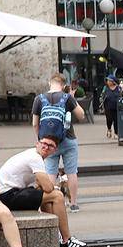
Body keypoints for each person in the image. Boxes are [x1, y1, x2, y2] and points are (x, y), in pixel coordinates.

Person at [0, 135, 88, 247]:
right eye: (44, 143)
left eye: (50, 146)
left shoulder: (32, 156)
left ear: (55, 150)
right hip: (7, 195)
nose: (46, 147)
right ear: (37, 144)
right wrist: (49, 186)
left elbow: (41, 186)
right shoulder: (35, 158)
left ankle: (54, 236)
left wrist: (44, 186)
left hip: (7, 194)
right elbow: (48, 187)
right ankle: (67, 239)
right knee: (57, 196)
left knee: (46, 197)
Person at [32, 74, 85, 212]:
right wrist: (72, 97)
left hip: (49, 142)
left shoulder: (39, 98)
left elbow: (34, 124)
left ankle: (49, 203)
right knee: (71, 172)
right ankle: (73, 204)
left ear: (50, 83)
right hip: (68, 139)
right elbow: (81, 116)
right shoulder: (67, 98)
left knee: (50, 173)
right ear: (64, 85)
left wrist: (41, 140)